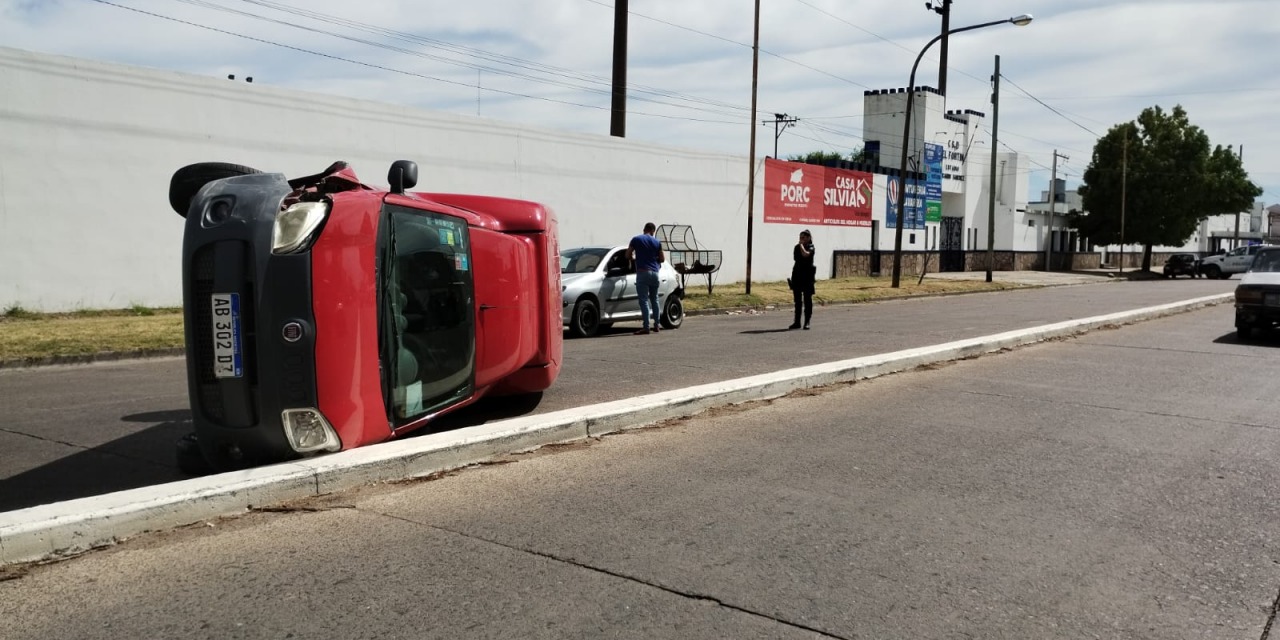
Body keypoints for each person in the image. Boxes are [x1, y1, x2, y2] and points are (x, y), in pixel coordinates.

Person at [628, 222, 665, 335]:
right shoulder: (657, 242)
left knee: (643, 300)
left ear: (644, 229)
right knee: (655, 299)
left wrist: (633, 258)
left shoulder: (636, 239)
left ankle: (646, 327)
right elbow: (662, 259)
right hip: (655, 273)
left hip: (643, 272)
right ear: (653, 231)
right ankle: (657, 325)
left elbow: (627, 254)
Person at [789, 230, 815, 330]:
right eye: (800, 237)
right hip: (797, 275)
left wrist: (801, 246)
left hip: (807, 276)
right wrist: (799, 246)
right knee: (797, 301)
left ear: (808, 238)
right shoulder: (796, 247)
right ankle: (797, 322)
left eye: (803, 238)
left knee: (807, 300)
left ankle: (807, 322)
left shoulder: (811, 247)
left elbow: (806, 255)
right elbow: (797, 259)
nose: (801, 240)